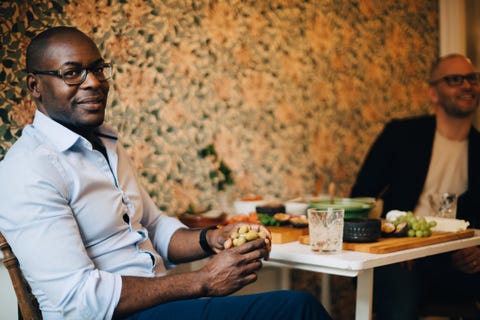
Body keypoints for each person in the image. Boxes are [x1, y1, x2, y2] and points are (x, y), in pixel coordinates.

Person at [0, 26, 331, 320]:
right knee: (297, 308)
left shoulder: (106, 144)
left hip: (161, 307)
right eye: (72, 73)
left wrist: (213, 238)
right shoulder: (27, 169)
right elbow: (78, 300)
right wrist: (202, 281)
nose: (95, 82)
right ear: (35, 86)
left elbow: (155, 227)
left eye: (99, 69)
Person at [351, 53, 480, 319]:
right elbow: (361, 198)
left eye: (472, 78)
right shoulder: (401, 135)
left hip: (453, 259)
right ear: (433, 93)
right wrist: (393, 244)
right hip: (399, 256)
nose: (467, 85)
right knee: (400, 298)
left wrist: (476, 253)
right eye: (454, 79)